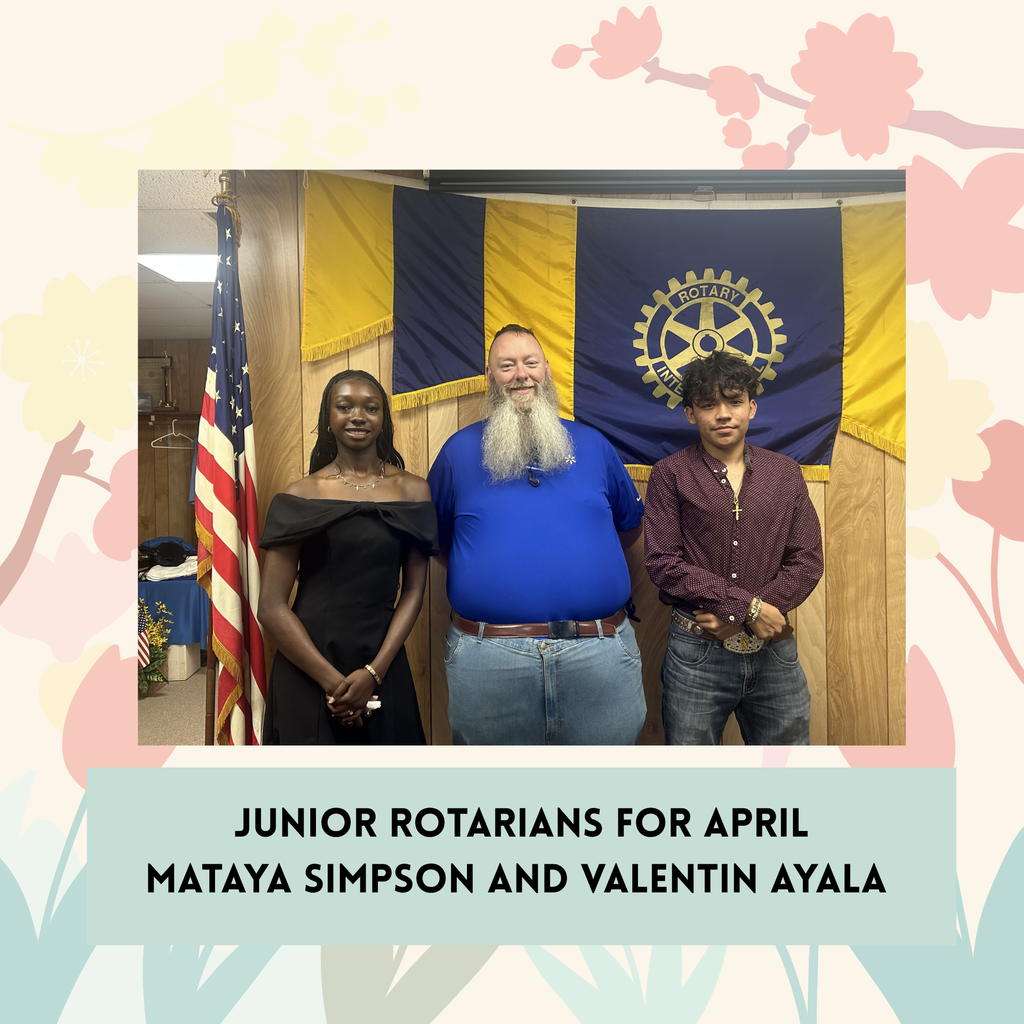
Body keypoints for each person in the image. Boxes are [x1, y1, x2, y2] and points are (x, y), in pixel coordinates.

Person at [427, 324, 647, 745]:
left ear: (547, 369)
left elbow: (627, 526)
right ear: (489, 377)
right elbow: (438, 541)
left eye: (530, 363)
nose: (520, 374)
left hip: (598, 654)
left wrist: (586, 569)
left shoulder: (594, 444)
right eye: (506, 365)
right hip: (489, 659)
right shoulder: (457, 452)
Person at [643, 351, 823, 746]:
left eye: (734, 401)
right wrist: (747, 609)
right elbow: (663, 562)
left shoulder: (785, 473)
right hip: (697, 651)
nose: (723, 414)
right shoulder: (670, 475)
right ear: (691, 414)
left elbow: (807, 560)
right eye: (709, 405)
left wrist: (746, 617)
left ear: (751, 407)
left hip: (774, 650)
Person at [257, 370, 437, 744]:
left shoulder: (413, 491)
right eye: (344, 406)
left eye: (371, 408)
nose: (358, 416)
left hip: (383, 662)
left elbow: (414, 592)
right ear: (328, 417)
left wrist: (373, 673)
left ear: (383, 419)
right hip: (308, 666)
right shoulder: (300, 495)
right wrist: (337, 685)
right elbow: (272, 607)